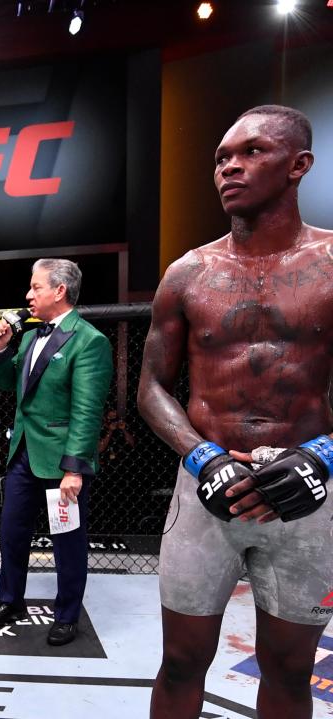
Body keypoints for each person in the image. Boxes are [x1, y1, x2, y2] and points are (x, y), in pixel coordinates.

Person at [138, 105, 333, 719]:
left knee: (290, 669)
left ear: (299, 165)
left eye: (251, 152)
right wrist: (202, 455)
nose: (230, 167)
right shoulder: (188, 273)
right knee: (180, 662)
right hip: (205, 486)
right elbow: (149, 386)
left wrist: (324, 455)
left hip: (307, 491)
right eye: (222, 157)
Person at [0, 259, 112, 646]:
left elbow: (87, 412)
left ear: (59, 291)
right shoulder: (30, 336)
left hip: (61, 462)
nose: (28, 295)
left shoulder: (89, 341)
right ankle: (10, 600)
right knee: (11, 532)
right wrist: (1, 348)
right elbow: (7, 385)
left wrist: (75, 469)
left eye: (35, 288)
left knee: (67, 539)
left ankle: (67, 614)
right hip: (23, 453)